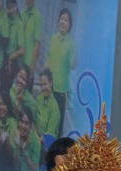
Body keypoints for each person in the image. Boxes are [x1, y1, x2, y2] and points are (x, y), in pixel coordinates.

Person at [46, 7, 76, 136]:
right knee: (47, 121)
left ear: (70, 25)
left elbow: (73, 65)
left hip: (61, 90)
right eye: (61, 19)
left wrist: (76, 57)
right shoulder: (53, 38)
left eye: (66, 20)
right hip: (49, 88)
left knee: (58, 124)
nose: (63, 22)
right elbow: (49, 58)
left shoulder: (71, 43)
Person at [1, 0, 24, 91]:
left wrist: (11, 57)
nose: (11, 10)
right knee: (2, 89)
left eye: (13, 7)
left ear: (17, 6)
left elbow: (22, 50)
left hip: (13, 64)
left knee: (8, 91)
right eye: (9, 8)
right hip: (4, 61)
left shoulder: (19, 24)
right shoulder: (7, 20)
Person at [22, 0, 41, 90]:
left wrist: (32, 67)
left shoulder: (37, 17)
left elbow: (37, 44)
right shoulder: (22, 13)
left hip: (29, 65)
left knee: (27, 97)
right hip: (20, 63)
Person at [36, 68, 59, 139]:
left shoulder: (54, 108)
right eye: (41, 85)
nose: (43, 88)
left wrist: (35, 141)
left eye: (45, 84)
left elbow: (49, 135)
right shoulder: (39, 98)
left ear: (51, 83)